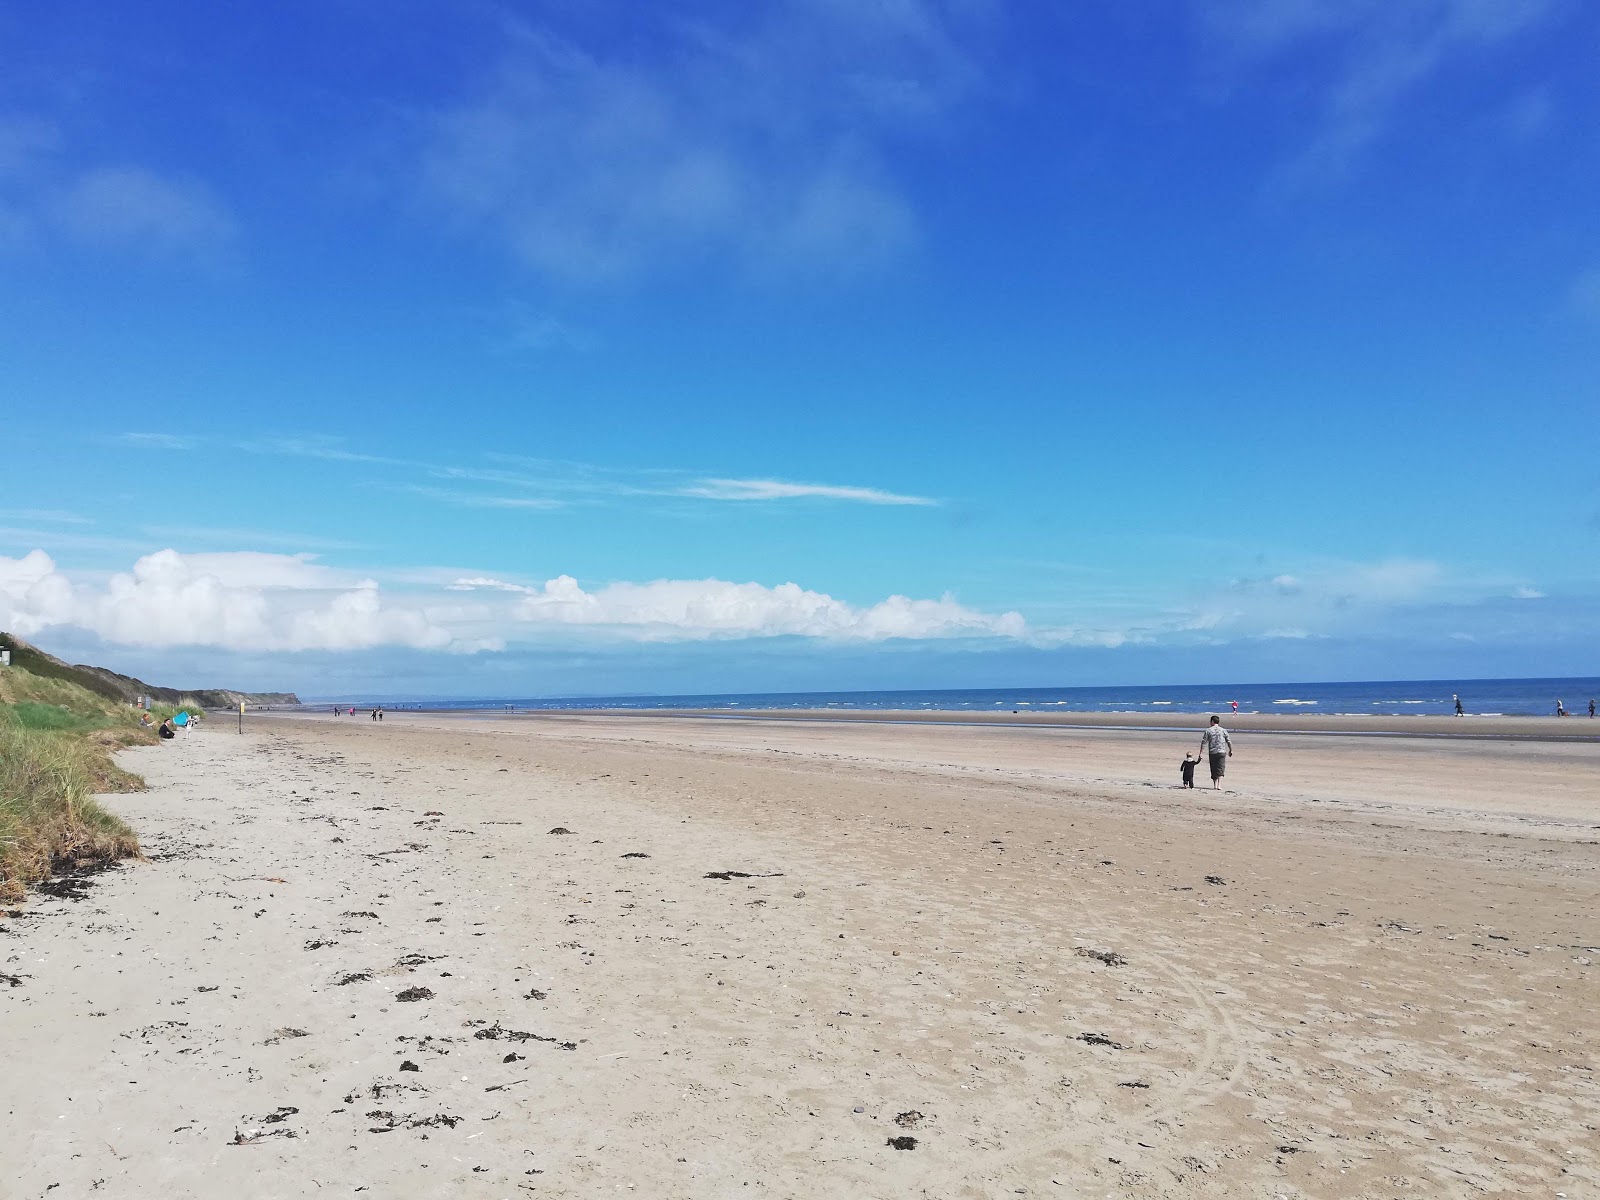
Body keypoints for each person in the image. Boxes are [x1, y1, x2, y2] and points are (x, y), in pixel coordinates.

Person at [1199, 715, 1233, 789]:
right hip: (1222, 751)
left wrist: (1201, 753)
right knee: (1220, 767)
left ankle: (1215, 784)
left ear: (1212, 722)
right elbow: (1228, 740)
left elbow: (1204, 742)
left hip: (1213, 751)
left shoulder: (1208, 730)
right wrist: (1231, 750)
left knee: (1213, 768)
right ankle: (1219, 785)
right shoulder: (1223, 730)